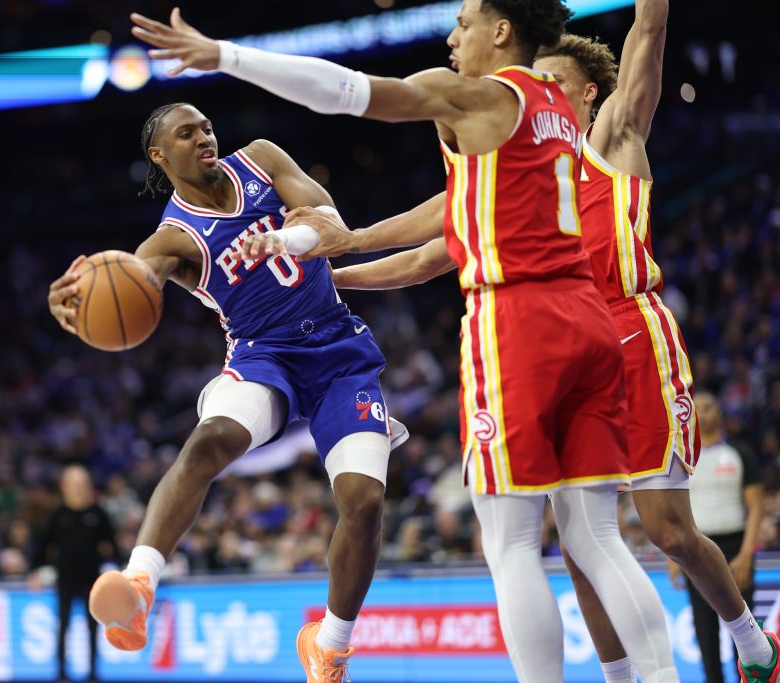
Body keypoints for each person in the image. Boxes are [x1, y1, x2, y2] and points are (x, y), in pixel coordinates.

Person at [129, 3, 681, 681]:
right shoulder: (557, 108)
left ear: (502, 31)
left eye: (466, 21)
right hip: (589, 319)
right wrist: (348, 250)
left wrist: (226, 56)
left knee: (510, 543)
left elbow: (347, 91)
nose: (454, 37)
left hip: (521, 322)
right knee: (597, 537)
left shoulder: (480, 97)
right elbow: (450, 219)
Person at [46, 102, 408, 682]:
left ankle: (331, 643)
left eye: (208, 126)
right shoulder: (172, 239)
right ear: (160, 156)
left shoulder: (261, 159)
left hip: (338, 351)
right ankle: (139, 586)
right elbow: (134, 280)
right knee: (213, 437)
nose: (204, 137)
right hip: (264, 354)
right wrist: (78, 304)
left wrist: (285, 239)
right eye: (186, 134)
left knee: (364, 503)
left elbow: (330, 223)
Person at [677, 392, 766, 683]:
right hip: (695, 550)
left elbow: (756, 508)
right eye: (697, 407)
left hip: (735, 548)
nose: (702, 412)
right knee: (705, 635)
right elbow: (673, 509)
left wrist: (746, 554)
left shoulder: (740, 452)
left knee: (744, 635)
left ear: (719, 413)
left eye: (708, 407)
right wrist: (673, 556)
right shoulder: (682, 456)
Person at [31, 464, 117, 683]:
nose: (79, 487)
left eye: (83, 482)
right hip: (66, 580)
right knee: (63, 626)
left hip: (92, 580)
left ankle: (93, 673)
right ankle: (61, 672)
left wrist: (121, 570)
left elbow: (112, 547)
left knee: (93, 627)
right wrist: (35, 572)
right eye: (74, 483)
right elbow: (43, 547)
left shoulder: (98, 514)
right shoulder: (58, 515)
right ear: (64, 486)